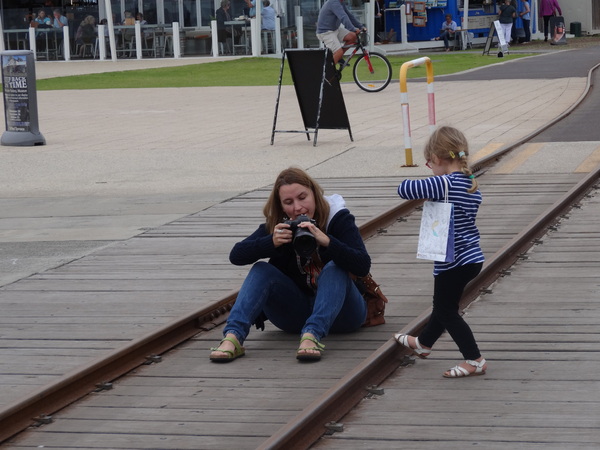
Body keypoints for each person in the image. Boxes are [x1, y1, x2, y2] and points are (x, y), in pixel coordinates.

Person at [209, 167, 371, 363]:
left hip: (344, 314)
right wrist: (271, 242)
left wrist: (328, 241)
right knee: (261, 269)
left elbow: (362, 265)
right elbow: (236, 255)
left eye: (303, 197)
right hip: (295, 314)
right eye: (289, 202)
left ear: (315, 193)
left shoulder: (336, 218)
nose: (298, 208)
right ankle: (233, 337)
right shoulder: (282, 225)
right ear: (281, 206)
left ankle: (312, 335)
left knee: (335, 267)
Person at [393, 126, 486, 378]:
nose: (429, 167)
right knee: (442, 305)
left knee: (447, 311)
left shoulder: (444, 183)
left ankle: (474, 359)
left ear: (436, 158)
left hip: (453, 261)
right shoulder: (469, 182)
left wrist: (427, 180)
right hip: (470, 257)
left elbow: (404, 189)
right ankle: (424, 343)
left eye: (428, 163)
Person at [316, 0, 365, 66]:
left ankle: (339, 57)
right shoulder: (333, 2)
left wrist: (361, 26)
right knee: (338, 52)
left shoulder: (341, 3)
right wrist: (353, 29)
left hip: (335, 29)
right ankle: (327, 74)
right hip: (326, 32)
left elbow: (349, 16)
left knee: (353, 36)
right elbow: (343, 17)